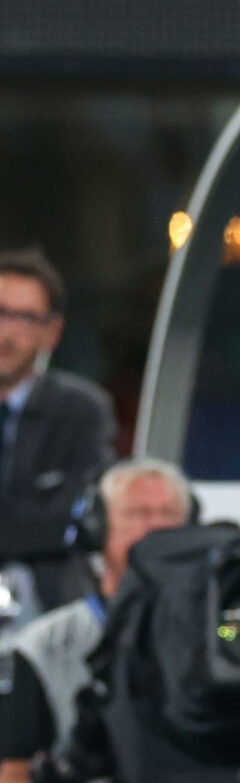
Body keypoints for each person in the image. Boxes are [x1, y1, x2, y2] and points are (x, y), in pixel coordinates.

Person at [0, 459, 192, 783]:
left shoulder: (222, 632)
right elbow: (9, 770)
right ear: (96, 529)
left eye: (168, 515)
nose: (154, 528)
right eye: (137, 514)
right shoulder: (44, 647)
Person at [0, 249, 116, 621]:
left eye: (25, 318)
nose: (7, 331)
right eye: (0, 312)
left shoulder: (82, 409)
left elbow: (76, 517)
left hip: (47, 600)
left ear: (52, 332)